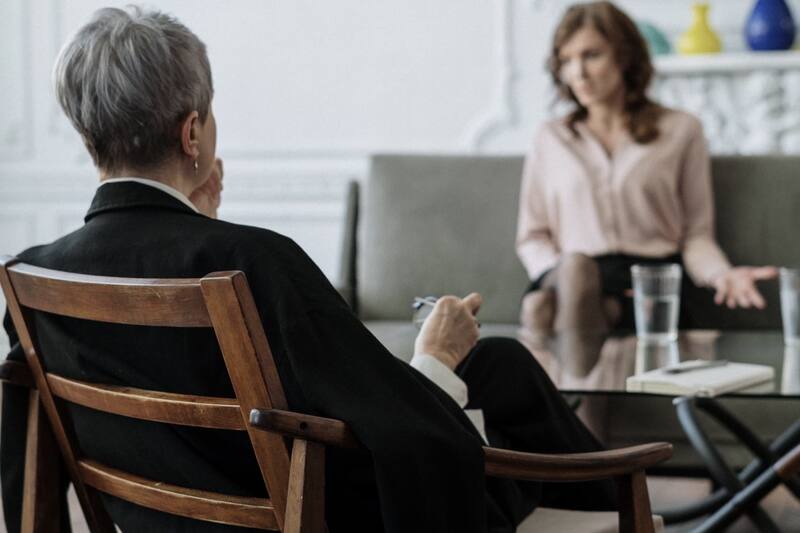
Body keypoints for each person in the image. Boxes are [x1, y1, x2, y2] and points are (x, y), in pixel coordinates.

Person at [1, 7, 616, 533]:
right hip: (322, 514)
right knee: (505, 426)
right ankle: (623, 491)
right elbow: (403, 433)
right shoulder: (252, 261)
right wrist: (435, 357)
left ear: (88, 136)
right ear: (192, 134)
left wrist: (199, 220)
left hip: (179, 511)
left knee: (498, 362)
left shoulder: (38, 278)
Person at [516, 1, 777, 340]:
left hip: (648, 282)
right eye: (566, 61)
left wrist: (721, 275)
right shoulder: (550, 138)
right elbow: (533, 237)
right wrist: (566, 276)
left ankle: (564, 373)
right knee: (573, 274)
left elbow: (696, 235)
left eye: (591, 55)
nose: (578, 73)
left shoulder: (681, 130)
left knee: (540, 308)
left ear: (624, 56)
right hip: (565, 277)